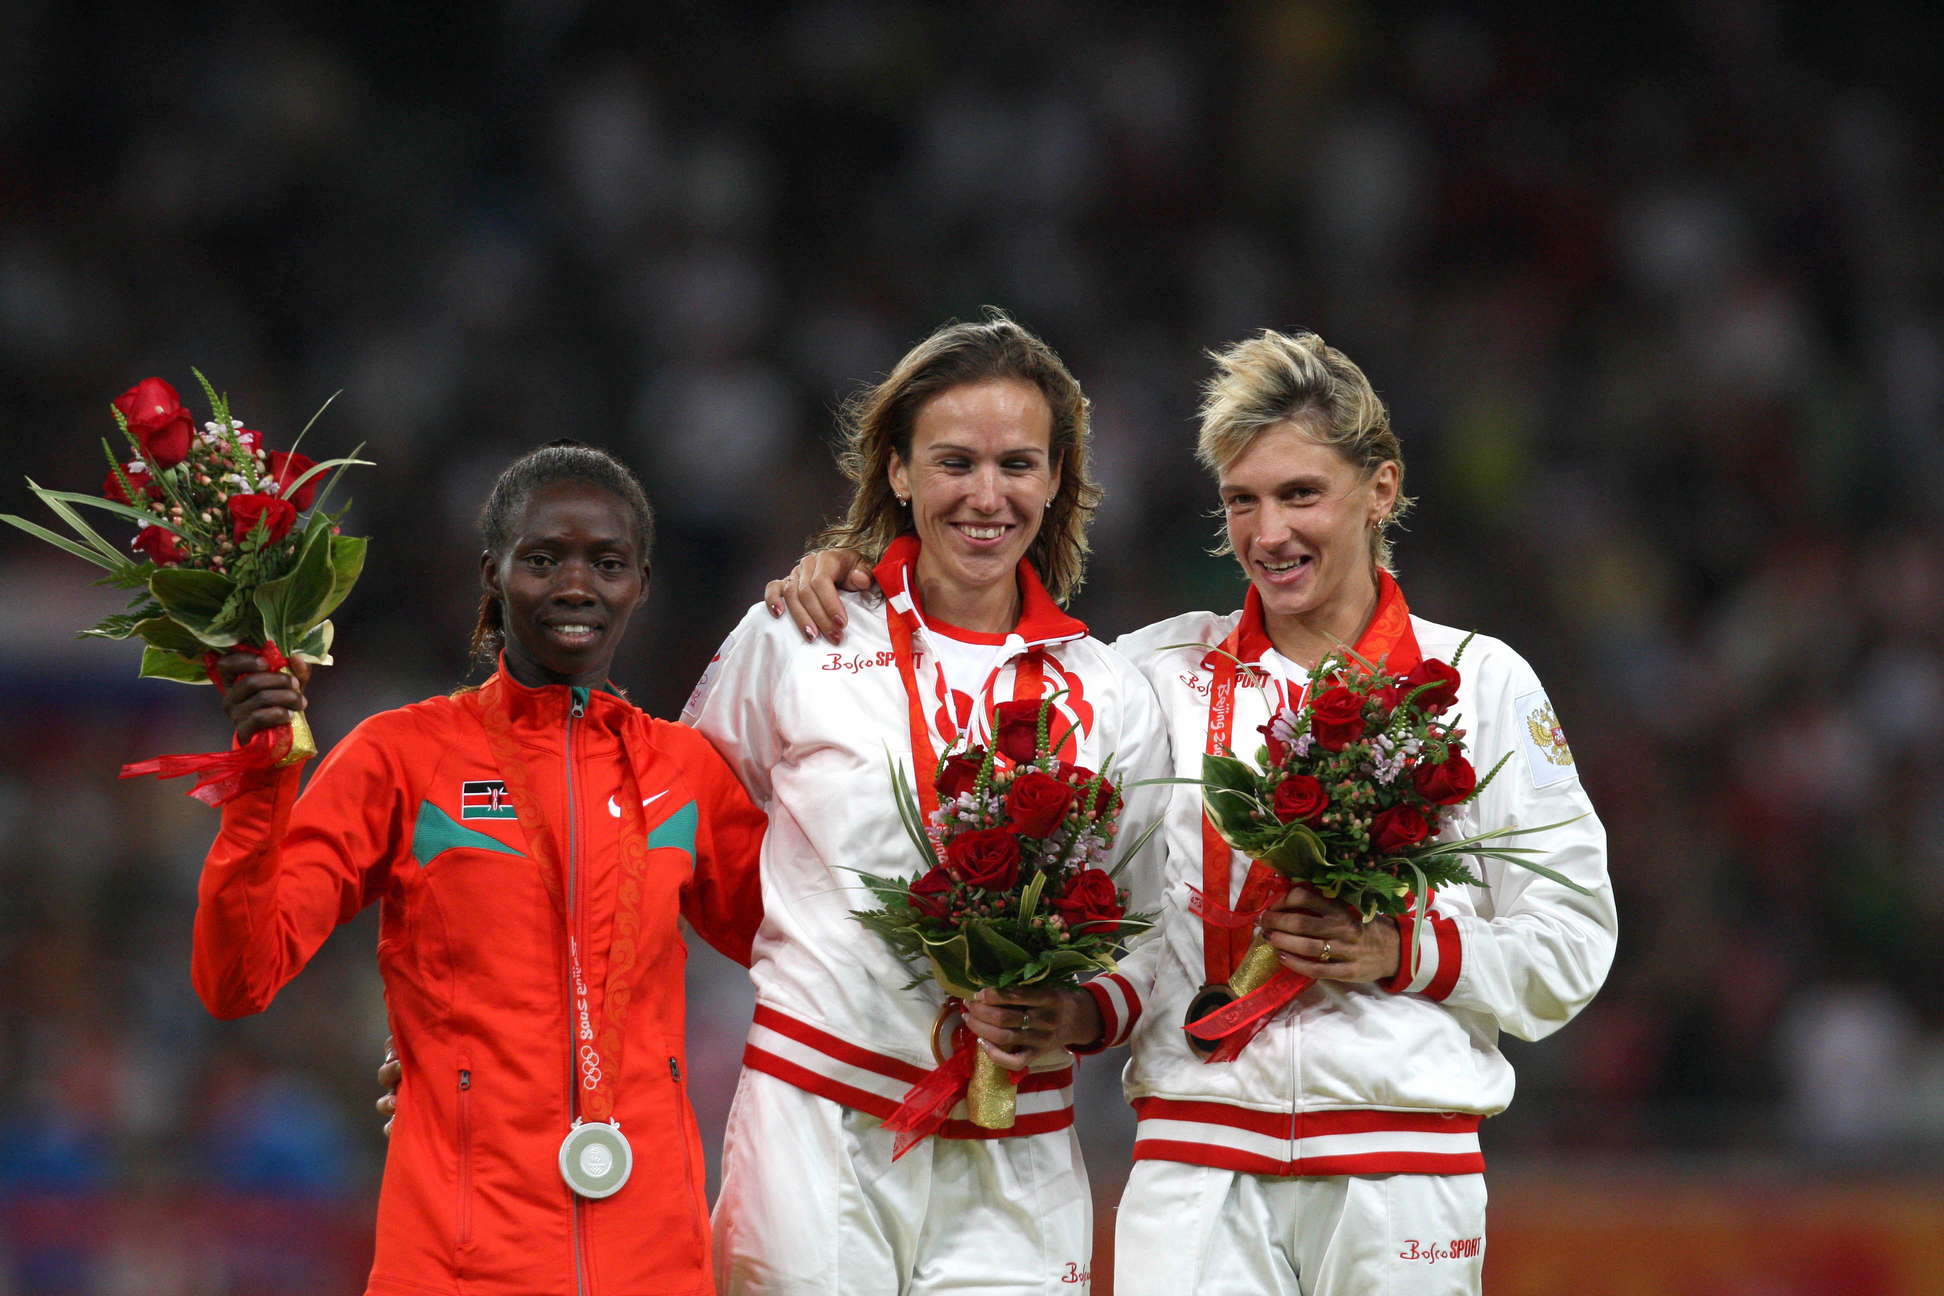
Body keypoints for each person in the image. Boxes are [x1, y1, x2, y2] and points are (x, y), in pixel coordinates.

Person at [768, 329, 1617, 1295]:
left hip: (1404, 1169)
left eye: (1301, 494)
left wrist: (1404, 950)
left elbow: (1572, 942)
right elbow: (987, 709)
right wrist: (861, 579)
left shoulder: (1478, 681)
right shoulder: (1151, 675)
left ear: (1380, 489)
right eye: (1242, 500)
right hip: (1193, 1170)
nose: (1269, 534)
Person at [199, 442, 767, 1296]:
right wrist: (260, 779)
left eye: (607, 563)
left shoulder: (684, 773)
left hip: (655, 1260)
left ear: (641, 583)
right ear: (492, 573)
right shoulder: (403, 756)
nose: (575, 585)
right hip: (454, 1265)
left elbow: (817, 960)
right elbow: (238, 978)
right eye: (542, 559)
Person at [687, 313, 1171, 1295]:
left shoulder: (1111, 689)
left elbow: (1154, 919)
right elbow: (681, 834)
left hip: (1018, 1141)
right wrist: (811, 954)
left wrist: (1078, 1012)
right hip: (817, 1123)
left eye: (1018, 464)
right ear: (899, 472)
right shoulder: (798, 635)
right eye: (955, 462)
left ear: (1056, 478)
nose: (986, 496)